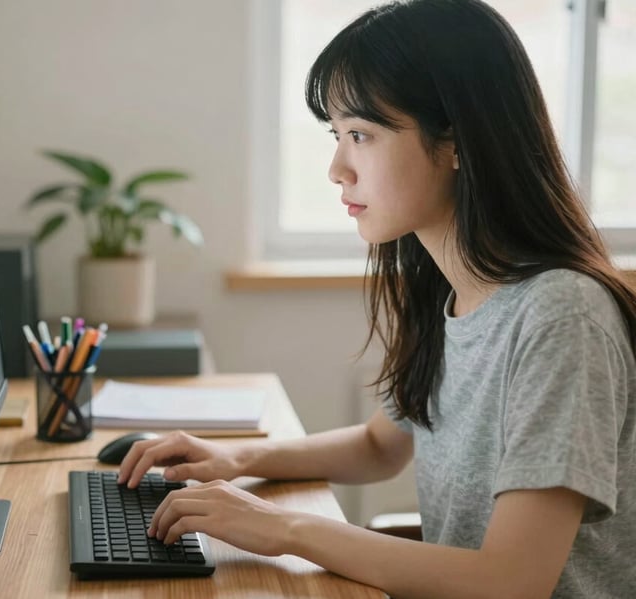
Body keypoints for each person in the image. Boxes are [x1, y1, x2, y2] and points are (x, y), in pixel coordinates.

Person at [118, 1, 636, 596]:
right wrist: (237, 460)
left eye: (361, 135)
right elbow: (378, 447)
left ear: (458, 140)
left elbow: (510, 582)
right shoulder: (448, 287)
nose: (337, 168)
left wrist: (284, 527)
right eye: (337, 135)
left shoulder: (561, 316)